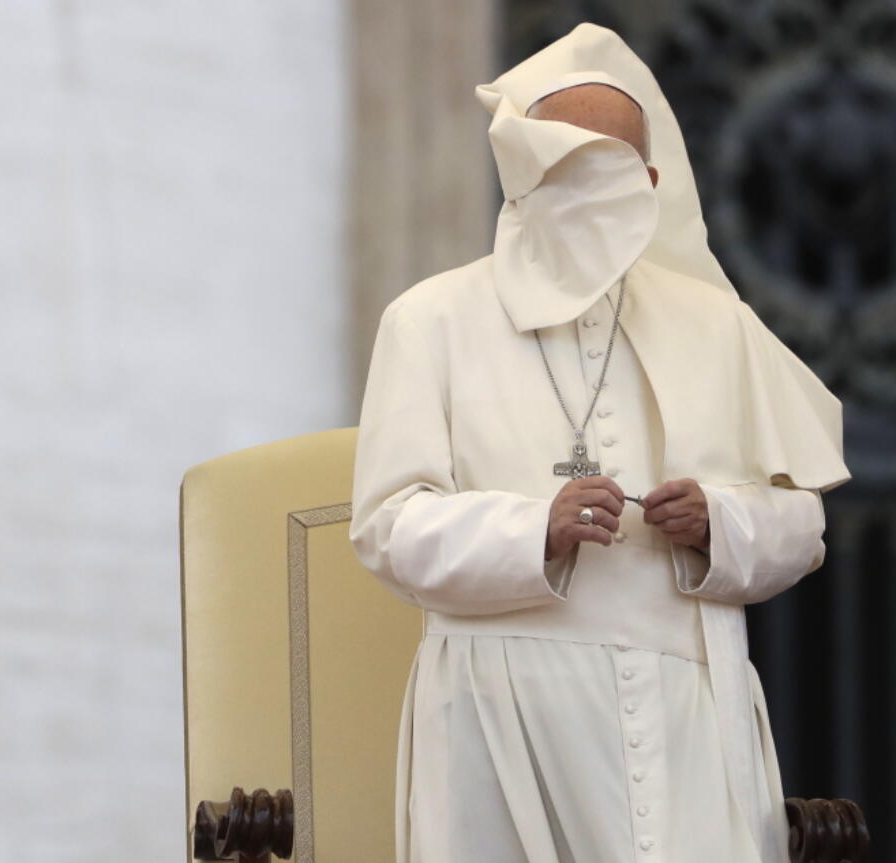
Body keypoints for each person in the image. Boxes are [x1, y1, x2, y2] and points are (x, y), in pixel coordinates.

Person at [349, 22, 850, 863]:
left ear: (652, 182)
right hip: (497, 710)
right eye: (567, 165)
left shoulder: (717, 324)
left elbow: (804, 528)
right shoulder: (429, 320)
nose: (588, 192)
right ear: (524, 171)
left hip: (690, 707)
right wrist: (530, 528)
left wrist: (719, 521)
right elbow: (387, 527)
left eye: (612, 172)